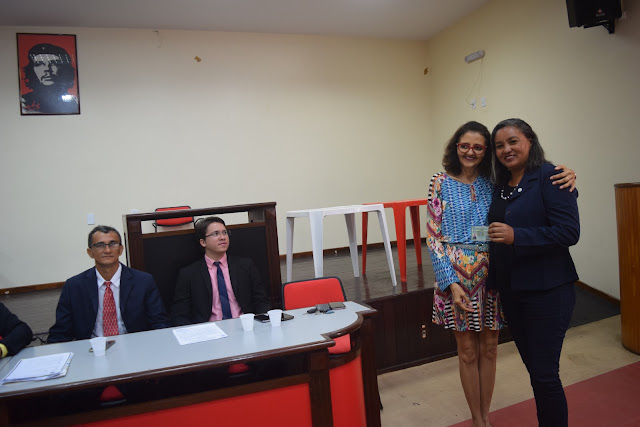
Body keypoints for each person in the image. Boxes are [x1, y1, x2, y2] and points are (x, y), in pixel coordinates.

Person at [426, 121, 576, 427]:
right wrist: (450, 281)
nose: (471, 152)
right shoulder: (439, 182)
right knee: (468, 352)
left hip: (493, 273)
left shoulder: (495, 181)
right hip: (456, 276)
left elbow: (534, 200)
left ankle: (487, 416)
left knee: (491, 349)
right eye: (464, 145)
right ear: (456, 147)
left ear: (486, 152)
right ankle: (478, 420)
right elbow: (433, 237)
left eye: (478, 147)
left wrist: (570, 174)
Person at [487, 118, 580, 427]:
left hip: (548, 290)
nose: (506, 149)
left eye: (513, 141)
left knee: (545, 375)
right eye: (499, 145)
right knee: (537, 374)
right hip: (512, 292)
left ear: (530, 141)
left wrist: (517, 236)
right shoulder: (500, 184)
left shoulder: (551, 176)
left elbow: (569, 232)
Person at [48, 225, 169, 343]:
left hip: (134, 346)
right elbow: (61, 331)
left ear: (121, 250)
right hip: (92, 348)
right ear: (90, 252)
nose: (107, 250)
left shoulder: (143, 281)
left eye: (113, 244)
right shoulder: (74, 286)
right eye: (100, 245)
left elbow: (159, 322)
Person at [171, 216, 272, 326]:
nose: (222, 237)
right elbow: (180, 314)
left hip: (245, 326)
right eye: (216, 234)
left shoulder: (245, 266)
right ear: (203, 242)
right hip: (209, 330)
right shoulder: (189, 274)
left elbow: (261, 301)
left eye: (225, 233)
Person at [21, 43, 79, 114]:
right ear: (32, 70)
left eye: (54, 63)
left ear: (64, 69)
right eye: (39, 64)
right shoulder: (23, 103)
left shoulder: (76, 103)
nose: (47, 69)